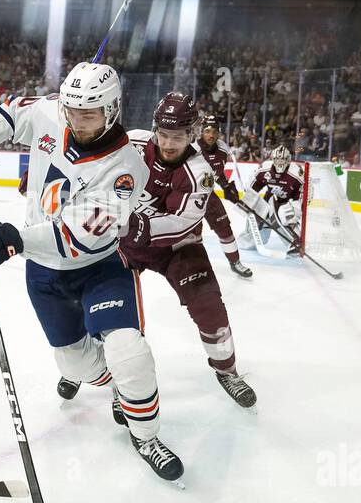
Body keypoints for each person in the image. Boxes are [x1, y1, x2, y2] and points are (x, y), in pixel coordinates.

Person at [0, 62, 184, 483]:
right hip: (44, 275)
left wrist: (10, 239)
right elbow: (14, 113)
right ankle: (112, 384)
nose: (77, 121)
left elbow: (77, 239)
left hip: (99, 268)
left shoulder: (126, 169)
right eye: (72, 111)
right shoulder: (56, 112)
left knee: (129, 353)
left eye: (87, 115)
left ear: (111, 111)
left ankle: (146, 436)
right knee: (78, 366)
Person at [122, 94, 256, 407]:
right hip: (125, 241)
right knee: (108, 307)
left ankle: (227, 370)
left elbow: (182, 223)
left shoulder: (201, 172)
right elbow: (90, 167)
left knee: (209, 304)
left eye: (178, 137)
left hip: (177, 246)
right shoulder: (131, 143)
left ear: (191, 135)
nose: (169, 144)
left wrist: (142, 226)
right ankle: (94, 369)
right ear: (155, 129)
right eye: (164, 135)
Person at [194, 114, 253, 278]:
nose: (211, 135)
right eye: (207, 131)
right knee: (194, 234)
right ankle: (196, 267)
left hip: (210, 196)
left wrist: (226, 185)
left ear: (219, 132)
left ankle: (235, 263)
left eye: (214, 131)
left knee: (225, 228)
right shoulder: (191, 150)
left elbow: (217, 173)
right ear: (201, 132)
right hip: (190, 197)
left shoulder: (222, 150)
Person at [237, 145, 303, 256]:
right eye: (277, 159)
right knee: (255, 220)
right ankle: (247, 239)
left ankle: (295, 241)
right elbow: (253, 188)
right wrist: (248, 201)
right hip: (270, 200)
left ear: (288, 160)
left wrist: (297, 208)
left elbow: (303, 193)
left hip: (288, 202)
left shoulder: (296, 172)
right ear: (272, 158)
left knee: (286, 214)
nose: (280, 162)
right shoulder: (264, 169)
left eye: (283, 159)